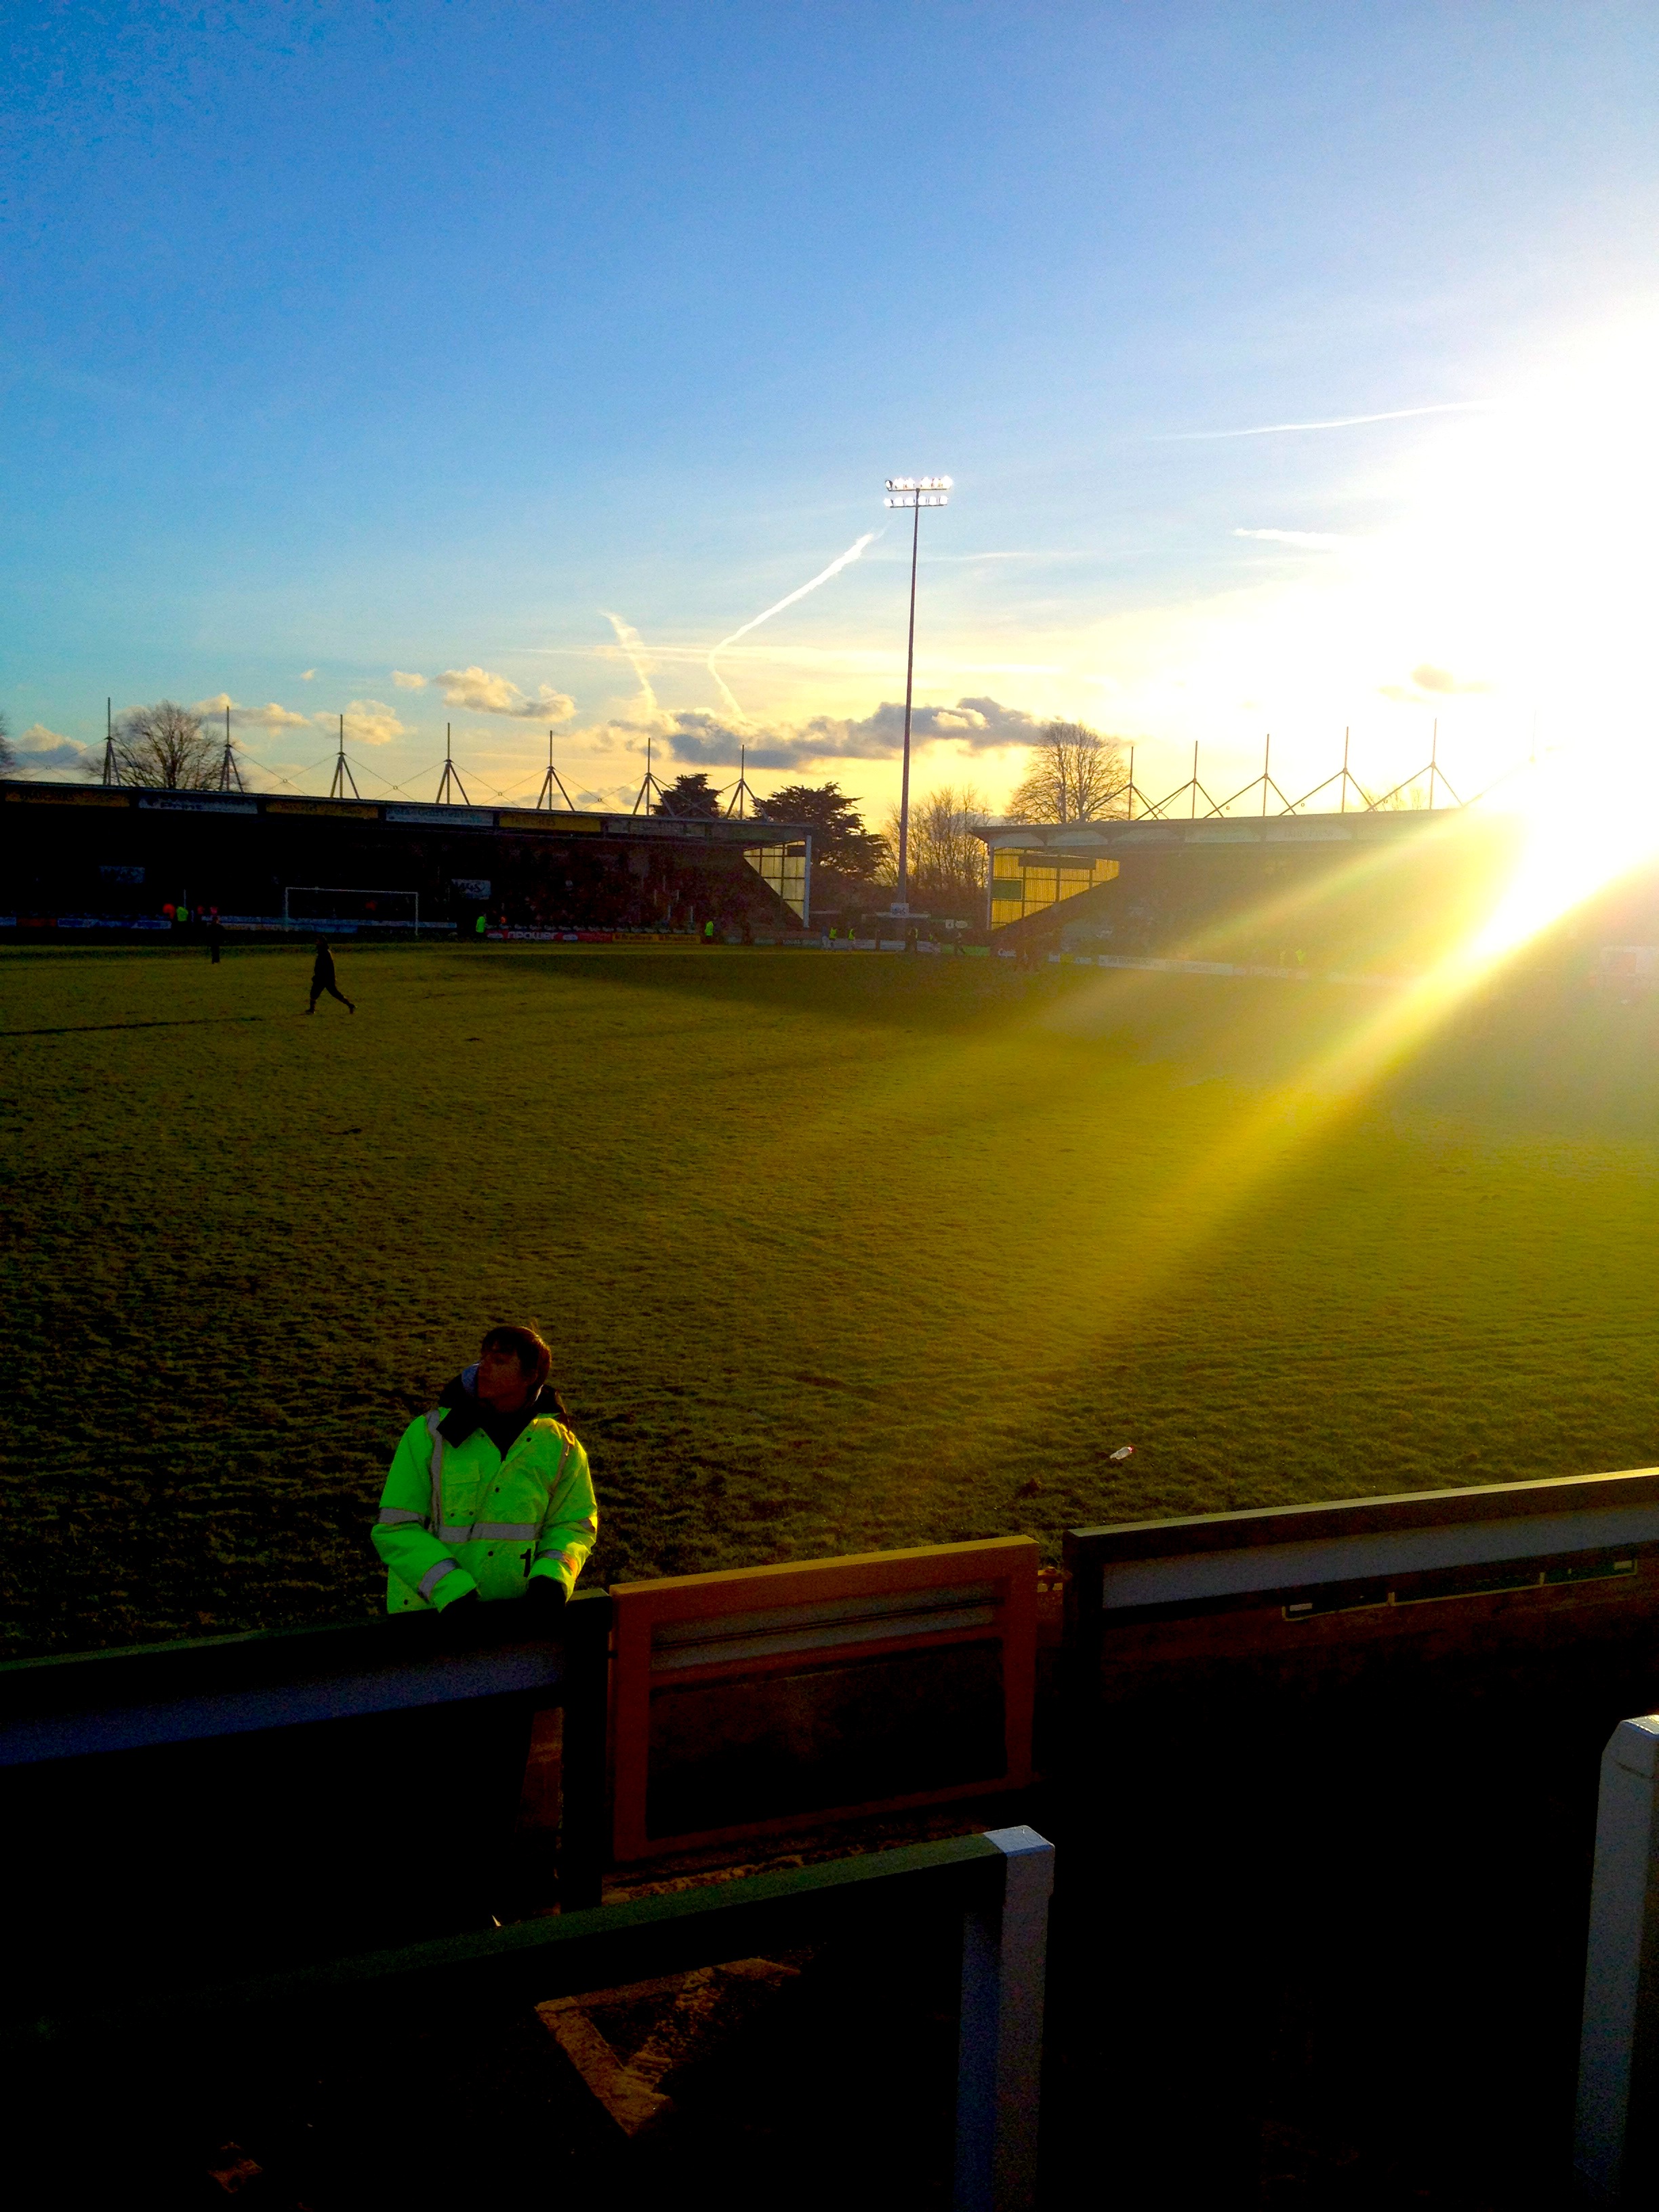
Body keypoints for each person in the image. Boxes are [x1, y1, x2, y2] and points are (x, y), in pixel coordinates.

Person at [373, 1324, 598, 1624]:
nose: (483, 1367)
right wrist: (451, 1590)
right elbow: (396, 1528)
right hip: (433, 1621)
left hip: (520, 1622)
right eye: (483, 1357)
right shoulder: (429, 1435)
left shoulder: (561, 1446)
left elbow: (574, 1524)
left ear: (530, 1377)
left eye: (500, 1361)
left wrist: (552, 1578)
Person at [306, 934, 354, 1014]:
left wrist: (325, 976)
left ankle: (350, 1005)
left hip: (324, 978)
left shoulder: (325, 952)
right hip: (323, 977)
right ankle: (312, 1009)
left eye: (317, 941)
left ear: (321, 942)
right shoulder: (321, 951)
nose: (316, 943)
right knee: (315, 993)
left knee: (333, 993)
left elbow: (329, 966)